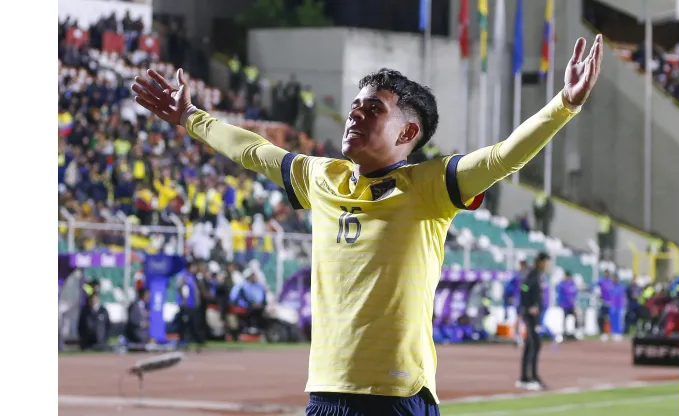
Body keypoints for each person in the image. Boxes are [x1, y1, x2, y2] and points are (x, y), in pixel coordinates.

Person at [132, 35, 603, 415]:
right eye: (357, 105)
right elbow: (253, 150)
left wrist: (563, 103)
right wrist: (189, 117)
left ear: (407, 133)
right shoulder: (322, 177)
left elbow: (503, 156)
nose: (355, 113)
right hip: (325, 394)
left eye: (373, 108)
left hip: (396, 397)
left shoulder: (431, 185)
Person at [517, 252, 550, 391]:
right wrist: (529, 306)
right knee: (533, 344)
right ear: (541, 262)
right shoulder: (533, 274)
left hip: (535, 316)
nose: (548, 265)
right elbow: (524, 288)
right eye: (547, 262)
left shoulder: (539, 275)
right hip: (530, 316)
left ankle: (527, 376)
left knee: (532, 345)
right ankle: (530, 377)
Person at [556, 271, 579, 341]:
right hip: (564, 305)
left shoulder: (573, 284)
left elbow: (575, 294)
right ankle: (564, 333)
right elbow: (560, 294)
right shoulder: (561, 284)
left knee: (576, 317)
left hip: (571, 305)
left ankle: (575, 332)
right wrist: (561, 303)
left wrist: (574, 302)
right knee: (564, 319)